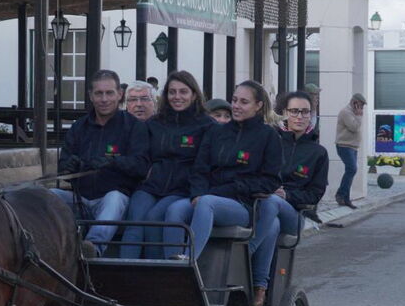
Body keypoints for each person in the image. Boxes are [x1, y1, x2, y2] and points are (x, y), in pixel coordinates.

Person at [168, 81, 282, 273]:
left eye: (244, 102)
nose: (236, 106)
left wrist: (231, 189)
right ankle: (169, 268)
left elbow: (271, 181)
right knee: (175, 209)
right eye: (234, 100)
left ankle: (187, 264)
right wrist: (197, 193)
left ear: (258, 106)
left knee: (207, 203)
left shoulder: (269, 136)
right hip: (207, 195)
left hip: (241, 204)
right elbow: (199, 168)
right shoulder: (216, 132)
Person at [119, 71, 214, 259]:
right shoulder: (155, 123)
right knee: (135, 222)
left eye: (183, 92)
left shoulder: (206, 125)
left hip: (182, 188)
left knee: (155, 218)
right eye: (172, 92)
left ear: (194, 95)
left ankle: (157, 271)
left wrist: (197, 191)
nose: (177, 97)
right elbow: (140, 154)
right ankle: (125, 270)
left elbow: (205, 164)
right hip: (151, 185)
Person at [55, 69, 149, 255]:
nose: (104, 99)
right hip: (79, 200)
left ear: (119, 94)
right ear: (91, 96)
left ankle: (93, 248)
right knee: (47, 195)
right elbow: (62, 169)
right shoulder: (79, 127)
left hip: (113, 202)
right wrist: (68, 167)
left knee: (114, 198)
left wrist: (113, 162)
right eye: (99, 93)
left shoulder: (133, 126)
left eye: (109, 93)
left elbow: (142, 166)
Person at [250, 91, 328, 300]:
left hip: (294, 214)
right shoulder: (271, 141)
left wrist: (287, 195)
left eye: (305, 112)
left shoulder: (318, 152)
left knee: (273, 202)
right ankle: (260, 287)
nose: (300, 116)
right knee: (272, 225)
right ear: (284, 112)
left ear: (311, 115)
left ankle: (247, 250)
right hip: (264, 209)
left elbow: (314, 195)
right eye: (294, 111)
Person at [335, 92, 366, 209]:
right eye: (361, 105)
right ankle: (343, 197)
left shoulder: (353, 113)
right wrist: (359, 116)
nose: (362, 108)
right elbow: (354, 127)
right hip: (344, 146)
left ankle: (342, 196)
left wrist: (358, 115)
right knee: (352, 169)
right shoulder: (346, 112)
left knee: (351, 170)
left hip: (352, 147)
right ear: (354, 103)